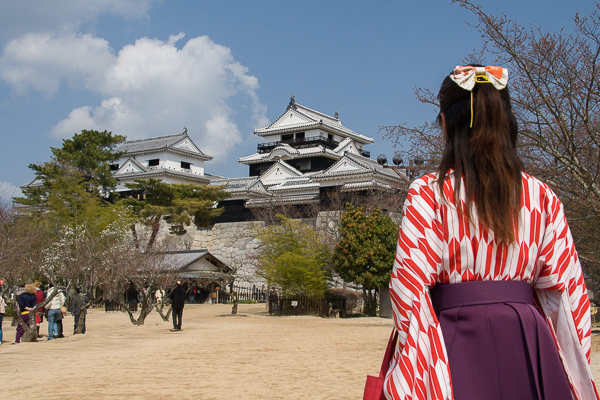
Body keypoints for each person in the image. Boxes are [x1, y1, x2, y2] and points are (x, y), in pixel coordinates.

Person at [383, 65, 598, 399]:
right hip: (529, 345)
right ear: (507, 120)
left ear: (445, 123)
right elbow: (568, 297)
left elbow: (409, 293)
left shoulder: (429, 193)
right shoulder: (541, 197)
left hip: (454, 345)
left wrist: (425, 377)